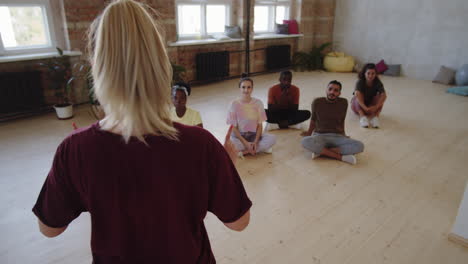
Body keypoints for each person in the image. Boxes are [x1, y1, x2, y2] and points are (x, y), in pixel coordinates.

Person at [32, 1, 252, 263]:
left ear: (96, 67)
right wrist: (225, 165)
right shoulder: (201, 144)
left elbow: (49, 228)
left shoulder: (74, 149)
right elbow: (239, 223)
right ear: (161, 65)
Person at [301, 80, 364, 165]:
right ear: (326, 90)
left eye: (335, 90)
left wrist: (344, 134)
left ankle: (321, 152)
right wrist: (309, 133)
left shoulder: (343, 102)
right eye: (330, 89)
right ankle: (341, 157)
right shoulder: (317, 101)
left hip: (337, 136)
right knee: (305, 141)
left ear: (339, 93)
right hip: (320, 135)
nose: (332, 92)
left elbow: (342, 120)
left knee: (360, 146)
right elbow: (313, 119)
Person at [227, 76, 276, 156]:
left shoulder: (258, 103)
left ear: (252, 88)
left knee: (273, 138)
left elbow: (260, 125)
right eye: (243, 87)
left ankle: (246, 151)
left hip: (253, 135)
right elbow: (233, 128)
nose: (246, 90)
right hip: (239, 136)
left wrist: (256, 142)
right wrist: (245, 143)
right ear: (240, 88)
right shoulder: (233, 104)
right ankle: (256, 149)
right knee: (230, 143)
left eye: (249, 87)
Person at [351, 63, 387, 128]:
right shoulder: (360, 82)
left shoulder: (378, 82)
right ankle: (362, 118)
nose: (370, 76)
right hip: (358, 106)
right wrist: (365, 108)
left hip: (370, 106)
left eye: (373, 73)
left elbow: (384, 95)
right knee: (357, 95)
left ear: (376, 74)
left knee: (381, 96)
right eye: (368, 73)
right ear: (364, 73)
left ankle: (375, 118)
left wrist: (376, 107)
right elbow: (357, 94)